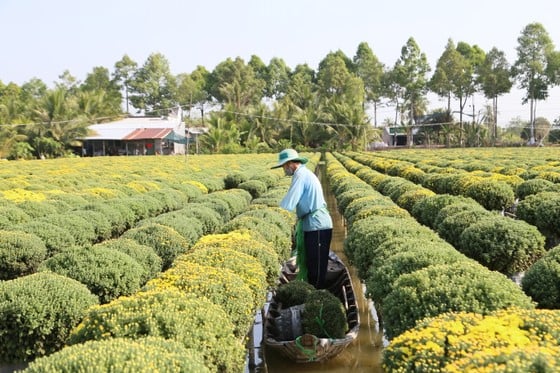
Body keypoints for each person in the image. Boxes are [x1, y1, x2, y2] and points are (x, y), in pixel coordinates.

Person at [272, 149, 333, 289]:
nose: (283, 169)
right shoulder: (302, 173)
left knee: (316, 270)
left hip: (317, 225)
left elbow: (290, 201)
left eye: (283, 166)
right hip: (311, 225)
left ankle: (318, 300)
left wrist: (277, 214)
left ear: (290, 164)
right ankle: (314, 294)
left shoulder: (301, 175)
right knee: (312, 265)